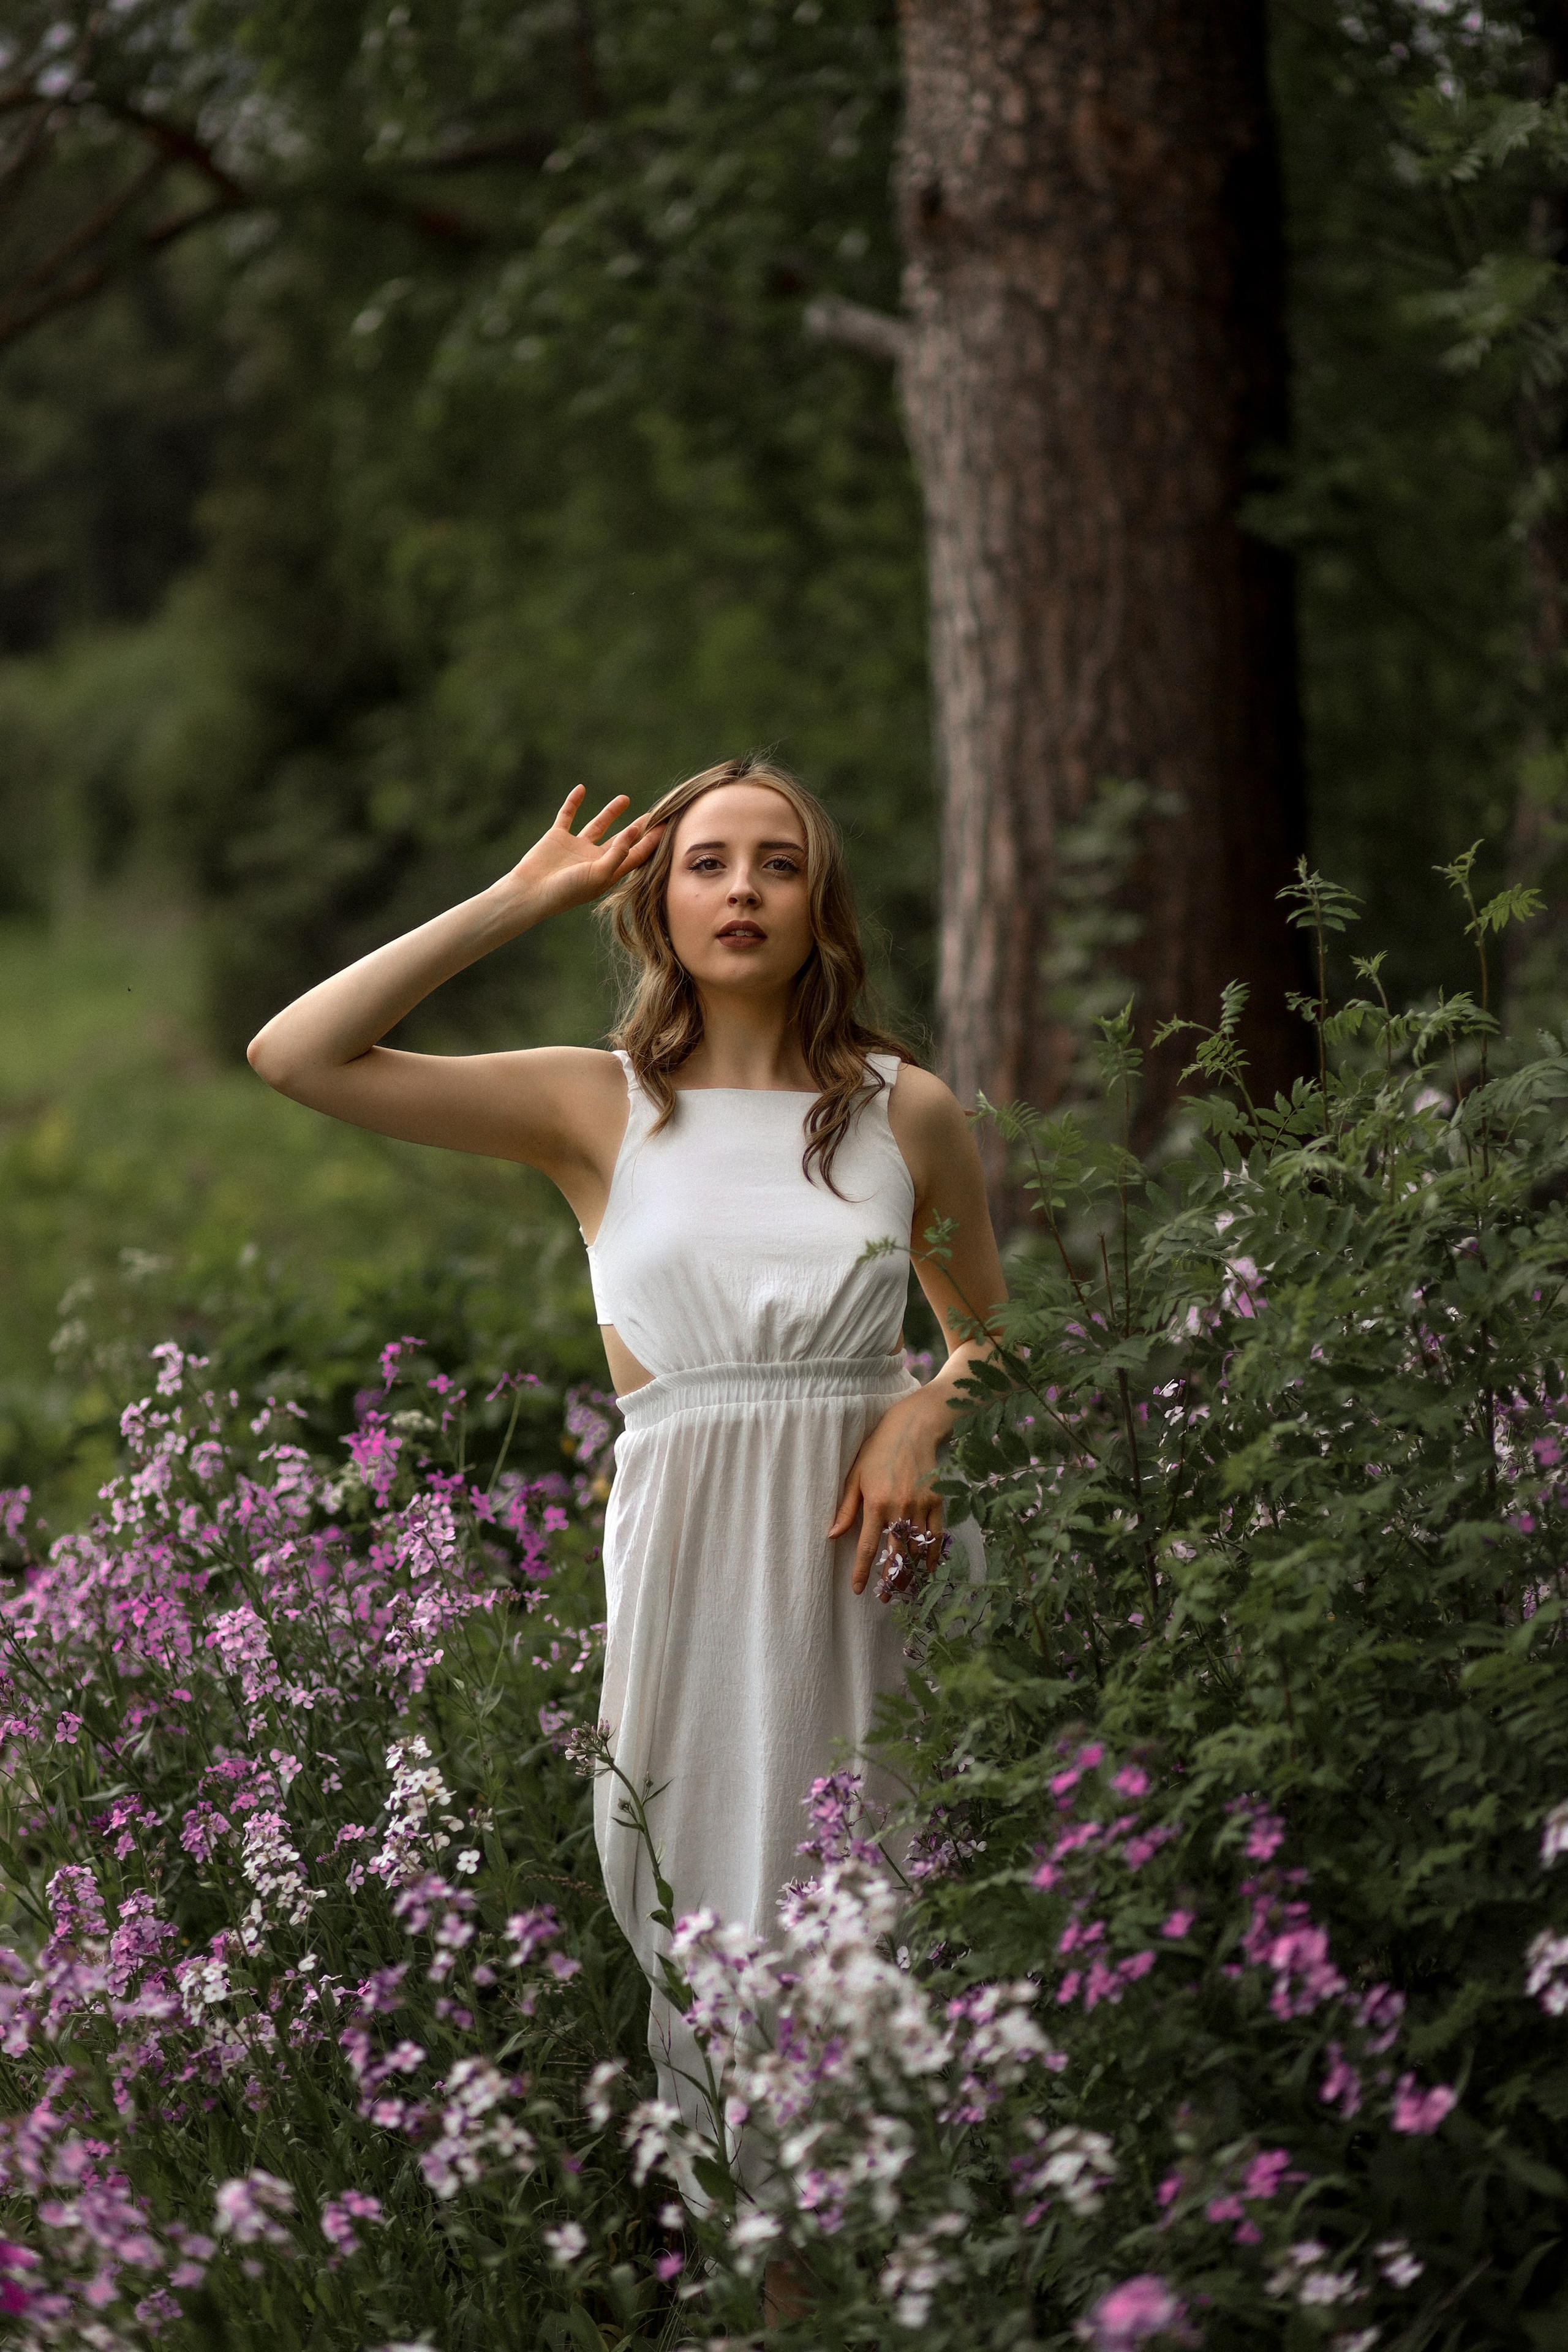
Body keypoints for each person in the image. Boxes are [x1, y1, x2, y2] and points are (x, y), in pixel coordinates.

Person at [246, 752, 1007, 2196]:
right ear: (659, 902)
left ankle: (913, 2285)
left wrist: (919, 1412)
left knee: (896, 1944)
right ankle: (773, 2292)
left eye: (777, 863)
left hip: (870, 1575)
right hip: (690, 1584)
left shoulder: (905, 1112)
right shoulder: (595, 1109)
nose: (742, 890)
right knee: (714, 1955)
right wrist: (518, 898)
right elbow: (296, 1056)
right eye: (707, 862)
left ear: (820, 905)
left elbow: (991, 1343)